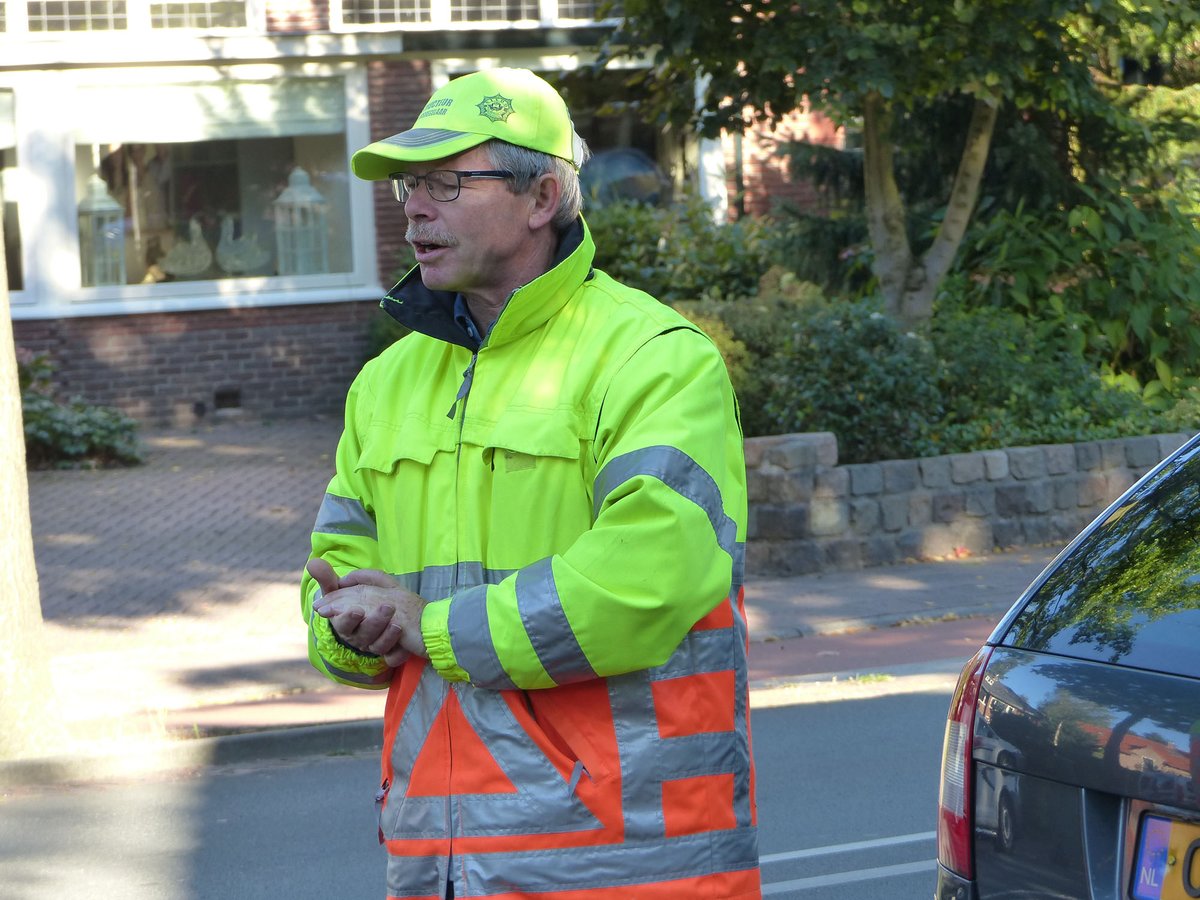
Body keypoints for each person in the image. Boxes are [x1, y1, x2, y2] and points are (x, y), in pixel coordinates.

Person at [301, 67, 760, 900]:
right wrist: (347, 625)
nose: (414, 208)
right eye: (410, 184)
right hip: (440, 866)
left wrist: (428, 626)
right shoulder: (386, 383)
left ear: (543, 197)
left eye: (446, 183)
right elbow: (334, 565)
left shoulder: (653, 359)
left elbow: (643, 583)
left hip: (630, 864)